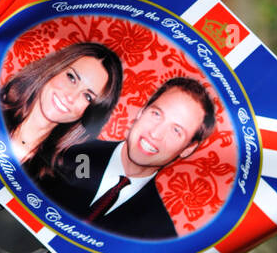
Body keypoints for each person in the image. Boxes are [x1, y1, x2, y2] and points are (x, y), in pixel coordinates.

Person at [40, 75, 217, 241]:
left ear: (187, 148)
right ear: (141, 112)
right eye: (156, 114)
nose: (155, 134)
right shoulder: (65, 152)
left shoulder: (158, 235)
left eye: (176, 130)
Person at [0, 42, 123, 182]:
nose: (71, 96)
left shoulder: (60, 177)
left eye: (87, 96)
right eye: (71, 78)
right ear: (54, 68)